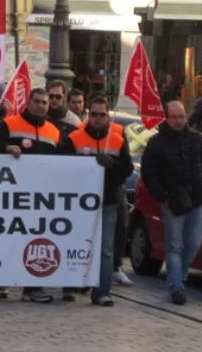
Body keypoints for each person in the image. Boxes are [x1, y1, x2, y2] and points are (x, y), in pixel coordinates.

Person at [0, 87, 62, 303]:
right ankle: (3, 278)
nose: (41, 105)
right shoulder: (10, 124)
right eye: (37, 101)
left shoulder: (54, 132)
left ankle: (33, 288)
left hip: (41, 199)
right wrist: (7, 147)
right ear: (28, 102)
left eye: (45, 102)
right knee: (10, 238)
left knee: (37, 241)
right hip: (12, 196)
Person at [140, 100, 202, 305]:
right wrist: (162, 195)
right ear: (166, 117)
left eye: (182, 116)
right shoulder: (157, 142)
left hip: (199, 201)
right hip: (173, 202)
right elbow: (149, 172)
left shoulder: (196, 138)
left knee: (193, 244)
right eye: (174, 117)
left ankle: (179, 278)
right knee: (174, 246)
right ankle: (176, 287)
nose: (178, 120)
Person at [59, 96, 132, 307]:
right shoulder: (75, 138)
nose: (98, 118)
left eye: (102, 115)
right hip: (79, 203)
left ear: (108, 116)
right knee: (74, 243)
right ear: (88, 115)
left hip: (107, 200)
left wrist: (112, 164)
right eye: (94, 114)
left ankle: (102, 292)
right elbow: (61, 165)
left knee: (106, 249)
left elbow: (127, 169)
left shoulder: (117, 138)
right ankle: (70, 286)